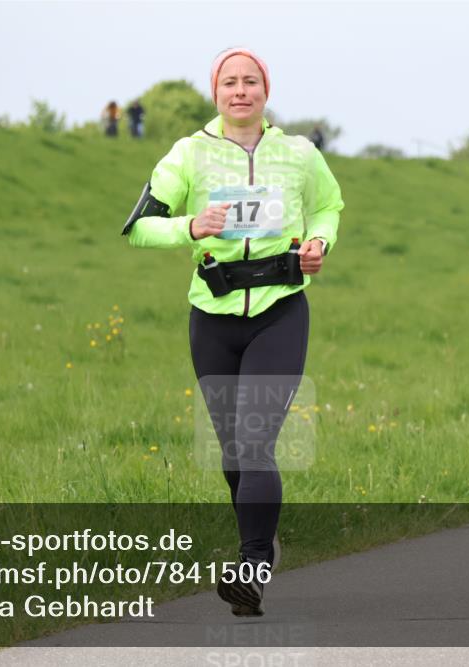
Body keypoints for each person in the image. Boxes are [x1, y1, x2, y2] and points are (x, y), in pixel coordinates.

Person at [121, 46, 344, 616]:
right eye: (229, 83)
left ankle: (251, 567)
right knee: (233, 454)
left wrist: (318, 242)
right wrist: (189, 225)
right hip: (212, 316)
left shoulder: (298, 154)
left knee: (255, 440)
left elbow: (328, 208)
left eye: (251, 82)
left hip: (280, 310)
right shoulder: (189, 154)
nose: (240, 91)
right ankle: (260, 543)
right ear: (215, 92)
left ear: (266, 91)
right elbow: (140, 229)